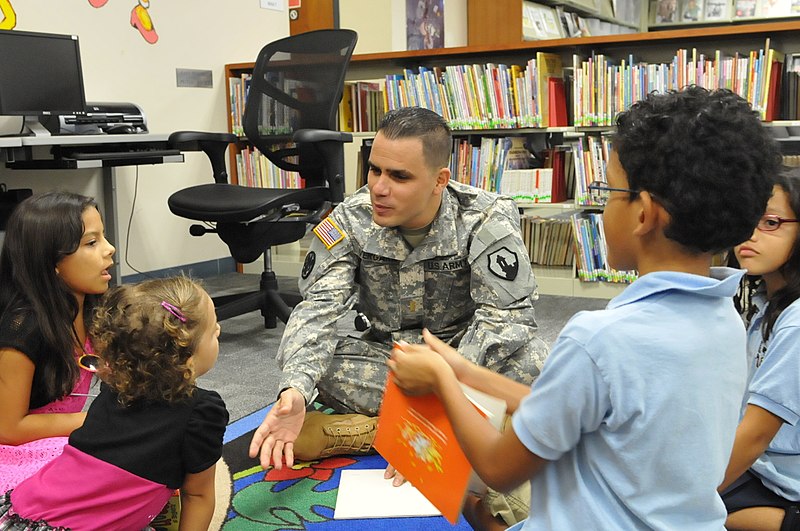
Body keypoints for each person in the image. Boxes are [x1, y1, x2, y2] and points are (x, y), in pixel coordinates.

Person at [388, 86, 781, 529]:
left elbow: (499, 467)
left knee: (466, 501)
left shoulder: (597, 339)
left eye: (610, 190)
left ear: (643, 214)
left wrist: (442, 382)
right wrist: (464, 370)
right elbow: (580, 405)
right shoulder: (726, 319)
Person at [249, 106, 547, 469]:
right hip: (392, 362)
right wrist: (294, 391)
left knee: (534, 362)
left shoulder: (485, 216)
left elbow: (504, 321)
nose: (379, 188)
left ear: (440, 180)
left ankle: (375, 431)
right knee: (315, 365)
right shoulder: (349, 219)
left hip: (463, 358)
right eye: (375, 170)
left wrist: (446, 389)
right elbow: (318, 309)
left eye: (399, 176)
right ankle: (454, 426)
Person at [0, 276, 228, 531]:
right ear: (187, 360)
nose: (218, 331)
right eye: (213, 329)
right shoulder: (201, 413)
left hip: (21, 512)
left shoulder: (114, 390)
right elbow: (198, 496)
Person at [0, 191, 115, 492]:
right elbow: (8, 428)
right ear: (52, 261)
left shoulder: (93, 309)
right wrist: (92, 420)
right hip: (20, 450)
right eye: (92, 242)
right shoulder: (23, 330)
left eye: (103, 237)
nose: (110, 249)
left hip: (68, 434)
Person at [719, 167, 800, 531]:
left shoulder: (797, 319)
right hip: (763, 466)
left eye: (770, 222)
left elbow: (756, 434)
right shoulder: (768, 302)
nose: (748, 235)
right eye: (745, 218)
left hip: (781, 482)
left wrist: (690, 497)